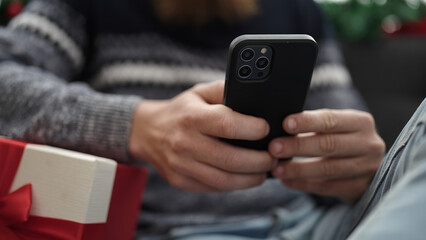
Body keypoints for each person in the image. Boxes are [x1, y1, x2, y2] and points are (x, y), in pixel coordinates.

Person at [0, 0, 385, 239]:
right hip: (177, 230)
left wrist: (359, 170)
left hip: (314, 223)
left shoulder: (299, 10)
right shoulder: (85, 6)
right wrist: (136, 126)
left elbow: (342, 127)